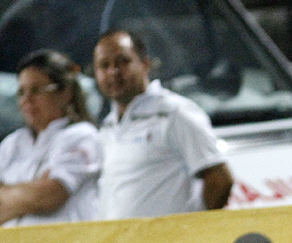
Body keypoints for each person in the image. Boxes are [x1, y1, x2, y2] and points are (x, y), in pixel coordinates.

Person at [93, 30, 234, 219]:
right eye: (104, 65)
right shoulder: (108, 126)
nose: (113, 72)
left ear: (145, 64)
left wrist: (190, 230)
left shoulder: (175, 113)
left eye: (123, 62)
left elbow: (220, 180)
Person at [0, 49, 100, 227]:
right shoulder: (12, 144)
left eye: (36, 90)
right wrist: (33, 190)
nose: (27, 100)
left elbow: (51, 196)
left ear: (65, 93)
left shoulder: (82, 136)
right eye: (22, 92)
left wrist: (8, 194)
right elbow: (38, 196)